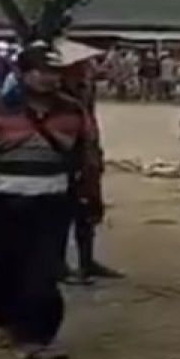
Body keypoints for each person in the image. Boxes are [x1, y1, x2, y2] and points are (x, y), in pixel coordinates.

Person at [0, 43, 101, 359]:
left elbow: (90, 154)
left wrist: (93, 194)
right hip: (0, 201)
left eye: (54, 72)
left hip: (52, 201)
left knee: (43, 272)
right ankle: (7, 322)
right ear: (22, 73)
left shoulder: (73, 111)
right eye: (41, 71)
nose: (48, 78)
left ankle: (36, 340)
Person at [58, 54, 124, 283]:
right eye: (83, 67)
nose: (88, 71)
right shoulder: (60, 97)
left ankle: (87, 261)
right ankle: (60, 265)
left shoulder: (84, 92)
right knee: (64, 212)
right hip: (67, 159)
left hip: (87, 156)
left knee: (88, 212)